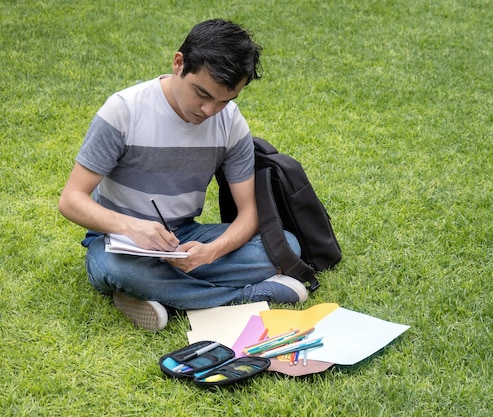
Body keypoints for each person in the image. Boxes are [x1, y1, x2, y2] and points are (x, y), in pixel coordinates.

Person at [58, 19, 308, 331]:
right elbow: (70, 200)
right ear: (179, 63)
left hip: (183, 239)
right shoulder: (124, 111)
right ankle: (244, 298)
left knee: (286, 245)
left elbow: (249, 215)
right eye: (201, 93)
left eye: (224, 100)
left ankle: (161, 295)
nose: (209, 110)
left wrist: (211, 252)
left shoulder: (230, 123)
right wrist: (131, 228)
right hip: (117, 242)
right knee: (119, 269)